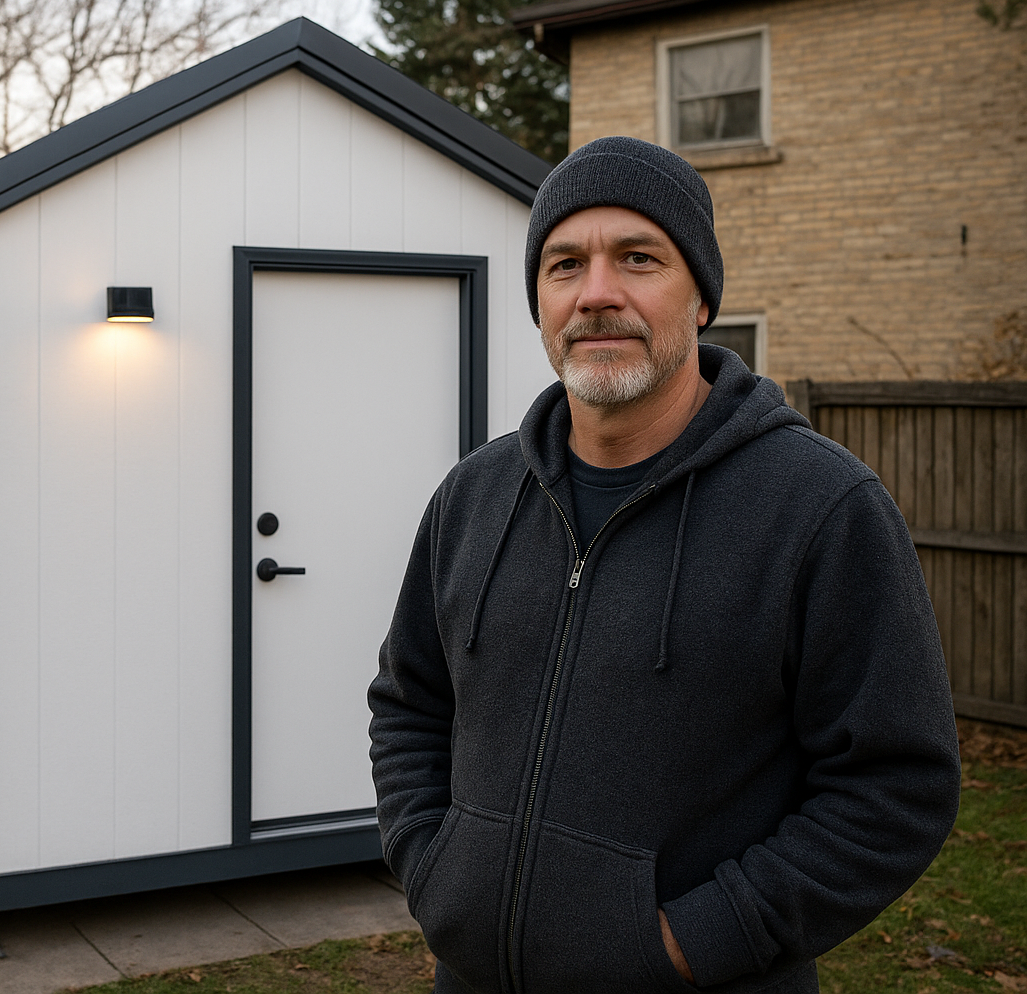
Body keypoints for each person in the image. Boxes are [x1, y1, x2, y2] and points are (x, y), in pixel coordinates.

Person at [367, 136, 960, 994]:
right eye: (565, 265)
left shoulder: (821, 508)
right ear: (539, 301)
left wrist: (689, 943)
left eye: (638, 258)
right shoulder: (475, 495)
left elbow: (895, 787)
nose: (597, 293)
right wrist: (435, 870)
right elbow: (409, 702)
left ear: (702, 298)